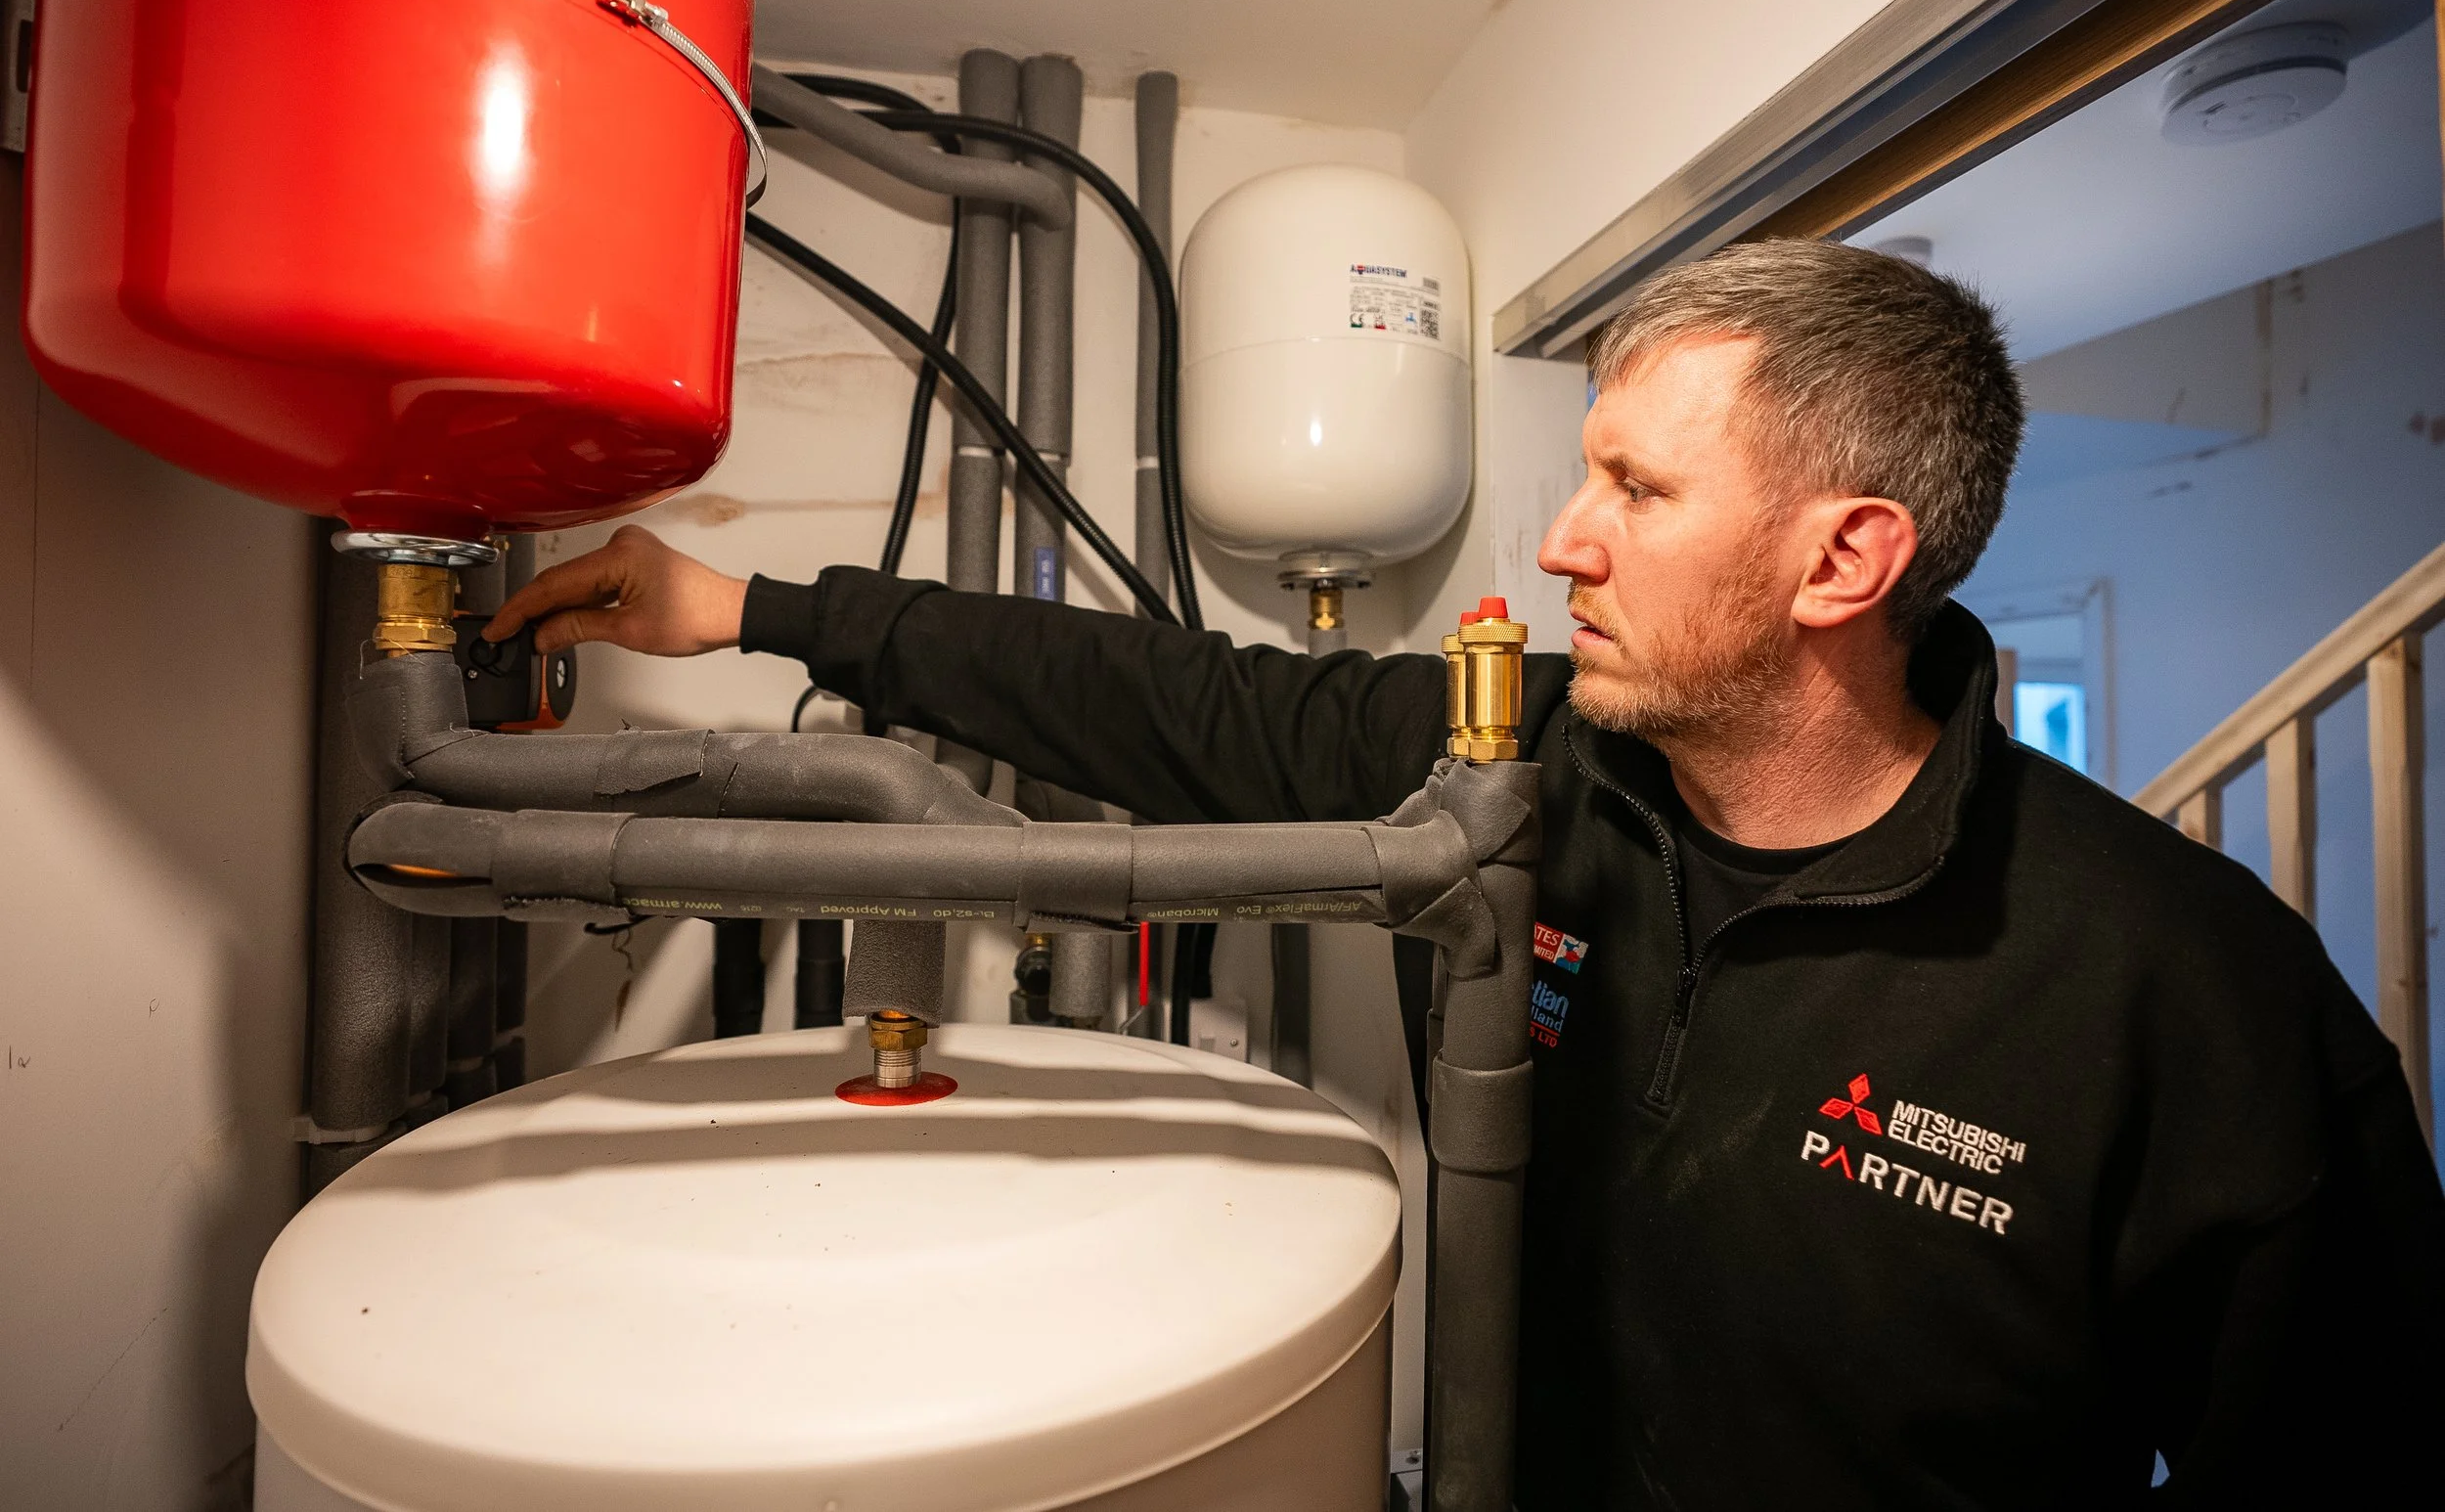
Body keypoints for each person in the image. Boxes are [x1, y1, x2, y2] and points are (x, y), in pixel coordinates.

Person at [489, 239, 2445, 1508]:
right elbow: (1158, 694)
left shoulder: (2177, 990)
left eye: (1639, 489)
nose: (1565, 538)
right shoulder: (1510, 772)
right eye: (1585, 470)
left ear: (1839, 561)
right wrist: (746, 600)